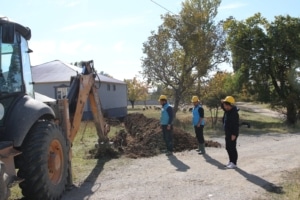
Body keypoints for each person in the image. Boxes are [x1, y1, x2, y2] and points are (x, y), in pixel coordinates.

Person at [221, 96, 239, 169]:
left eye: (226, 105)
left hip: (232, 134)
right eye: (224, 105)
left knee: (232, 147)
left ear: (230, 105)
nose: (225, 107)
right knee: (228, 147)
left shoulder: (234, 113)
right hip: (227, 132)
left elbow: (235, 125)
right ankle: (230, 161)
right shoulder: (227, 111)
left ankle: (234, 162)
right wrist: (222, 102)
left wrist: (234, 134)